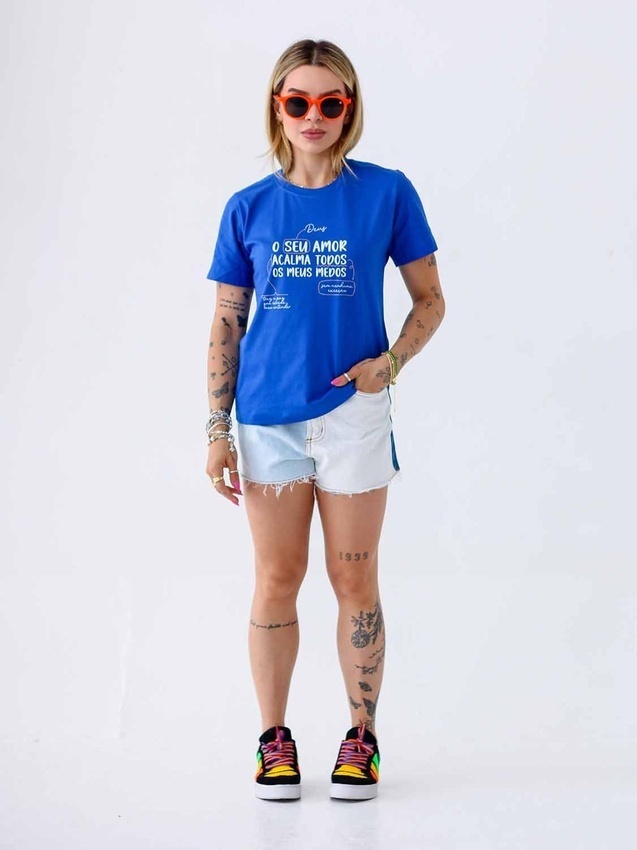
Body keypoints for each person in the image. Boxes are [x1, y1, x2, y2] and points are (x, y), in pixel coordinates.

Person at [204, 38, 445, 802]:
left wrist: (390, 363)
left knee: (354, 577)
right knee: (277, 578)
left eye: (329, 102)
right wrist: (215, 430)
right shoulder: (248, 207)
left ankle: (360, 737)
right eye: (298, 101)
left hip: (353, 416)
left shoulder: (386, 193)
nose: (314, 116)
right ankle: (273, 740)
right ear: (277, 108)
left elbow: (430, 299)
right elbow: (226, 322)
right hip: (267, 420)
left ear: (349, 108)